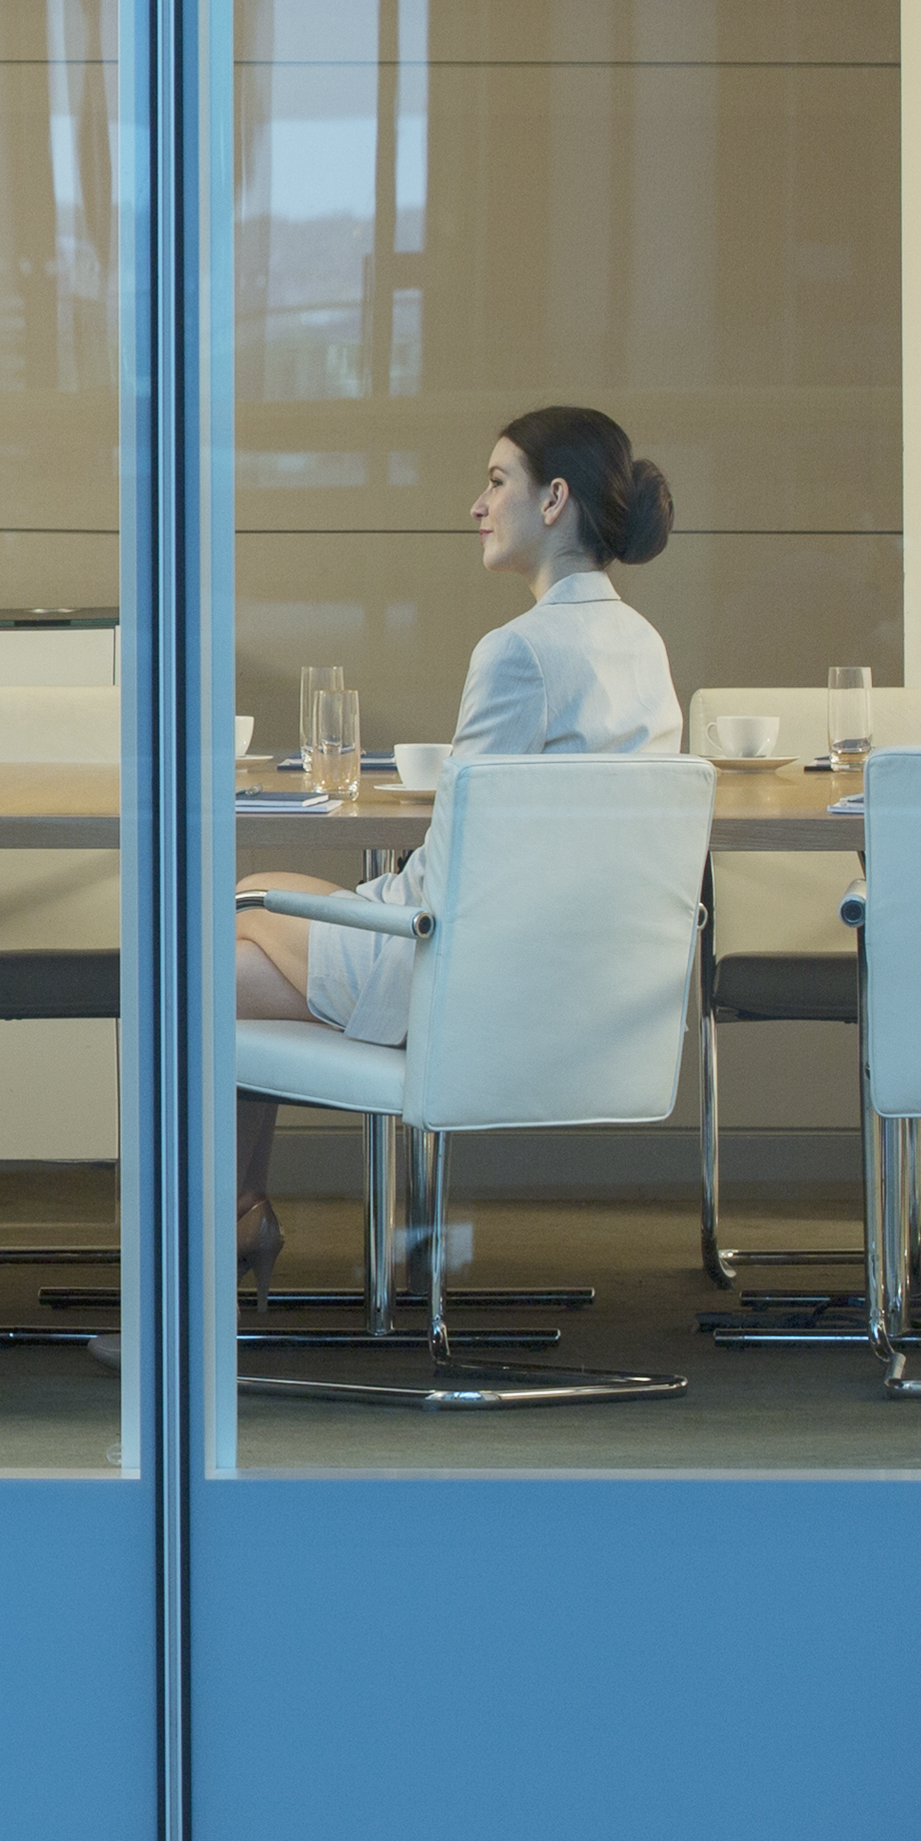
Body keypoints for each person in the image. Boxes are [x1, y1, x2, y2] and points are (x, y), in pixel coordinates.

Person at [228, 404, 683, 1276]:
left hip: (457, 968)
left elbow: (461, 866)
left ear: (553, 501)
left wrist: (386, 902)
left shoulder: (519, 652)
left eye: (495, 481)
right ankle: (235, 1215)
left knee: (203, 961)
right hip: (571, 971)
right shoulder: (642, 646)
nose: (477, 504)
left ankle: (218, 1236)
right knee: (252, 892)